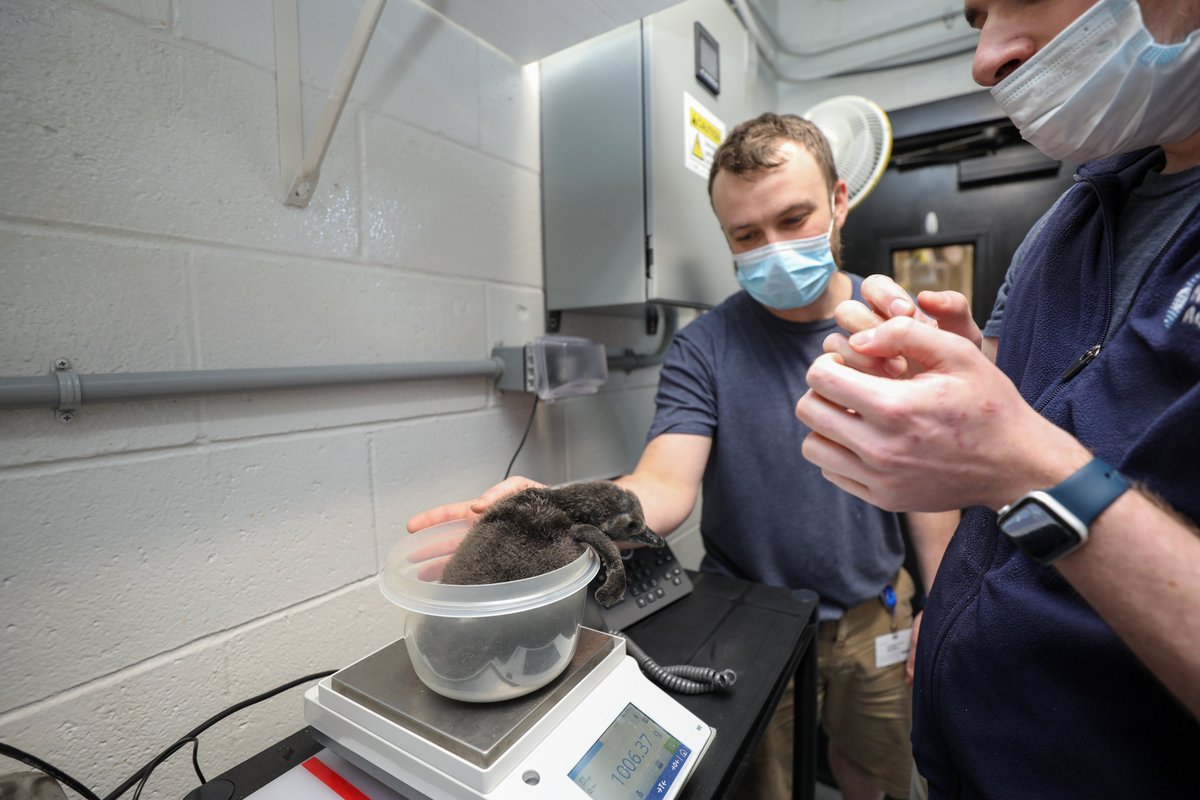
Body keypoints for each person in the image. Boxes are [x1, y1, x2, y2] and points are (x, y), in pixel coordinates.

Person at [408, 113, 958, 800]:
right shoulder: (707, 346)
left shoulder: (891, 325)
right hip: (756, 617)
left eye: (793, 219)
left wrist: (947, 599)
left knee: (873, 775)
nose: (775, 247)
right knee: (765, 782)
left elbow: (934, 494)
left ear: (840, 201)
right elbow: (665, 484)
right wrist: (568, 513)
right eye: (747, 235)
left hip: (877, 613)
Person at [794, 0, 1200, 796]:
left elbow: (1020, 457)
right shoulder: (1071, 222)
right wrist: (933, 394)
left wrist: (1026, 466)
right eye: (975, 16)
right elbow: (1001, 427)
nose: (985, 59)